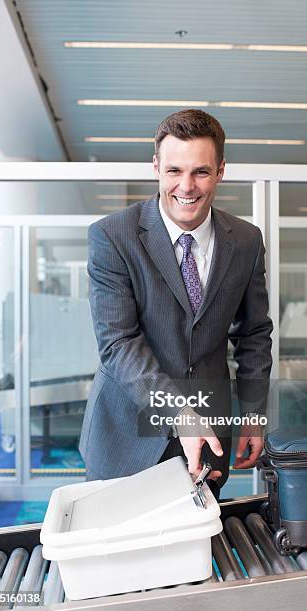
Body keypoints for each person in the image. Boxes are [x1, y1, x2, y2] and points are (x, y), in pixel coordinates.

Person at [79, 109, 273, 491]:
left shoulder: (246, 241)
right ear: (156, 167)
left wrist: (253, 414)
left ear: (220, 170)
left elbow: (254, 333)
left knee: (196, 547)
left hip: (208, 434)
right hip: (125, 435)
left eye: (200, 171)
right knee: (119, 547)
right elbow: (118, 343)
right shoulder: (113, 237)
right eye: (174, 171)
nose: (187, 186)